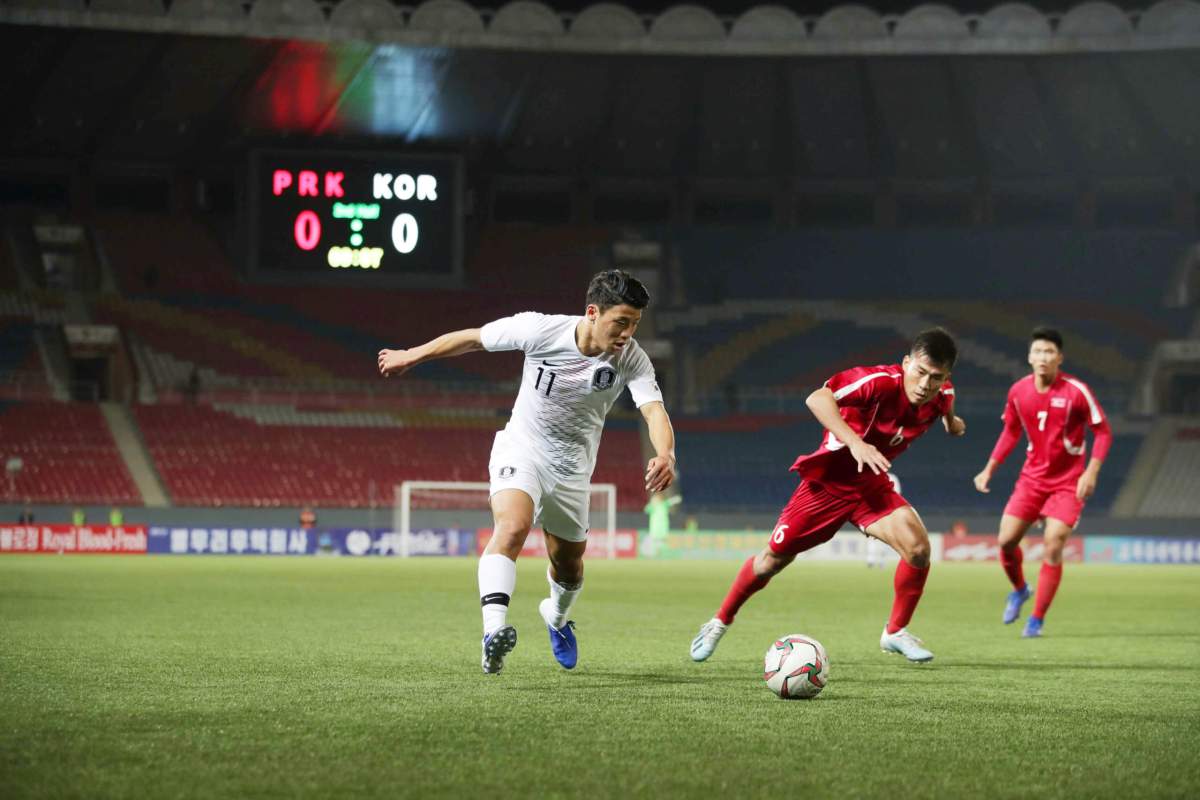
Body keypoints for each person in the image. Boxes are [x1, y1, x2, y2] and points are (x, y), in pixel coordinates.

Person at [377, 270, 676, 675]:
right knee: (513, 527)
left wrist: (666, 454)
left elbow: (654, 410)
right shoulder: (539, 330)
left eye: (634, 324)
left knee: (569, 567)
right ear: (592, 312)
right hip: (524, 448)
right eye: (620, 322)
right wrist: (411, 355)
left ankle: (555, 616)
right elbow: (473, 337)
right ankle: (492, 634)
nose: (627, 333)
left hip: (573, 469)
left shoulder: (632, 359)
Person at [690, 328, 966, 664]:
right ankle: (719, 622)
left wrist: (952, 424)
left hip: (870, 485)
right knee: (771, 560)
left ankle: (895, 632)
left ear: (946, 377)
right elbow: (817, 398)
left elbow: (946, 406)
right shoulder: (875, 382)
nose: (925, 384)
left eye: (935, 378)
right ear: (906, 363)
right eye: (920, 372)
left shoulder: (942, 394)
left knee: (919, 549)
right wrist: (855, 442)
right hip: (827, 484)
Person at [973, 327, 1110, 638]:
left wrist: (1092, 472)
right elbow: (1010, 432)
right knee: (1006, 542)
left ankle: (1036, 619)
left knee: (1054, 543)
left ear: (1059, 357)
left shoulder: (1076, 391)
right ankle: (1020, 589)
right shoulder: (1018, 392)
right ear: (1029, 357)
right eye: (1038, 351)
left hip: (1068, 482)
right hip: (1032, 480)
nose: (1043, 357)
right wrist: (989, 469)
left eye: (1049, 352)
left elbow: (1102, 431)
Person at [642, 492, 681, 557]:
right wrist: (651, 504)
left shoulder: (663, 505)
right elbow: (646, 510)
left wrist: (676, 499)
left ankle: (662, 554)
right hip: (654, 527)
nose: (655, 500)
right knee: (655, 540)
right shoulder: (652, 507)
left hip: (663, 526)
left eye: (656, 499)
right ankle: (655, 553)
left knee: (663, 540)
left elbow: (670, 502)